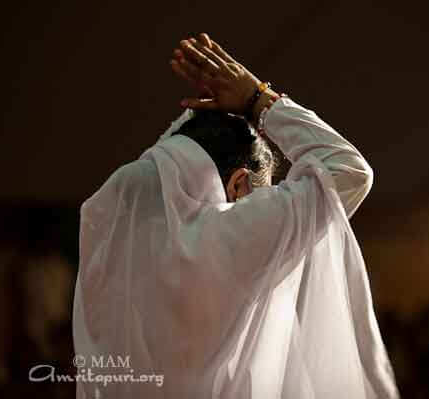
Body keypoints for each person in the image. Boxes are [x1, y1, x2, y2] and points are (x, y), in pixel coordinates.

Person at [73, 33, 398, 398]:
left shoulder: (111, 251)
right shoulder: (226, 241)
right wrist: (258, 100)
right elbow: (349, 171)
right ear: (239, 185)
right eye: (263, 191)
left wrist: (189, 132)